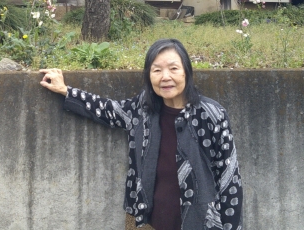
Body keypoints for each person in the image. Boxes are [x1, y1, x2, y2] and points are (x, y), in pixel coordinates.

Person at [39, 38, 243, 230]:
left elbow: (229, 178)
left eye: (173, 68)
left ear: (186, 72)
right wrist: (65, 90)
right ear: (149, 76)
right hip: (145, 220)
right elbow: (109, 110)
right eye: (157, 70)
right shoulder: (142, 108)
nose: (165, 77)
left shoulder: (212, 114)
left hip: (200, 222)